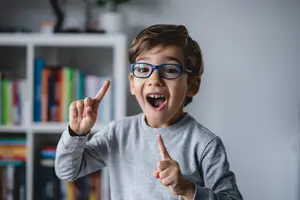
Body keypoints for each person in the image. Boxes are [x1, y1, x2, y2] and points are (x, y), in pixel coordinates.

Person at [55, 24, 243, 200]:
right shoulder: (117, 133)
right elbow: (67, 171)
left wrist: (187, 189)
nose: (154, 79)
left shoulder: (205, 144)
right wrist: (76, 133)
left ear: (192, 85)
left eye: (170, 69)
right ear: (132, 83)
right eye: (143, 69)